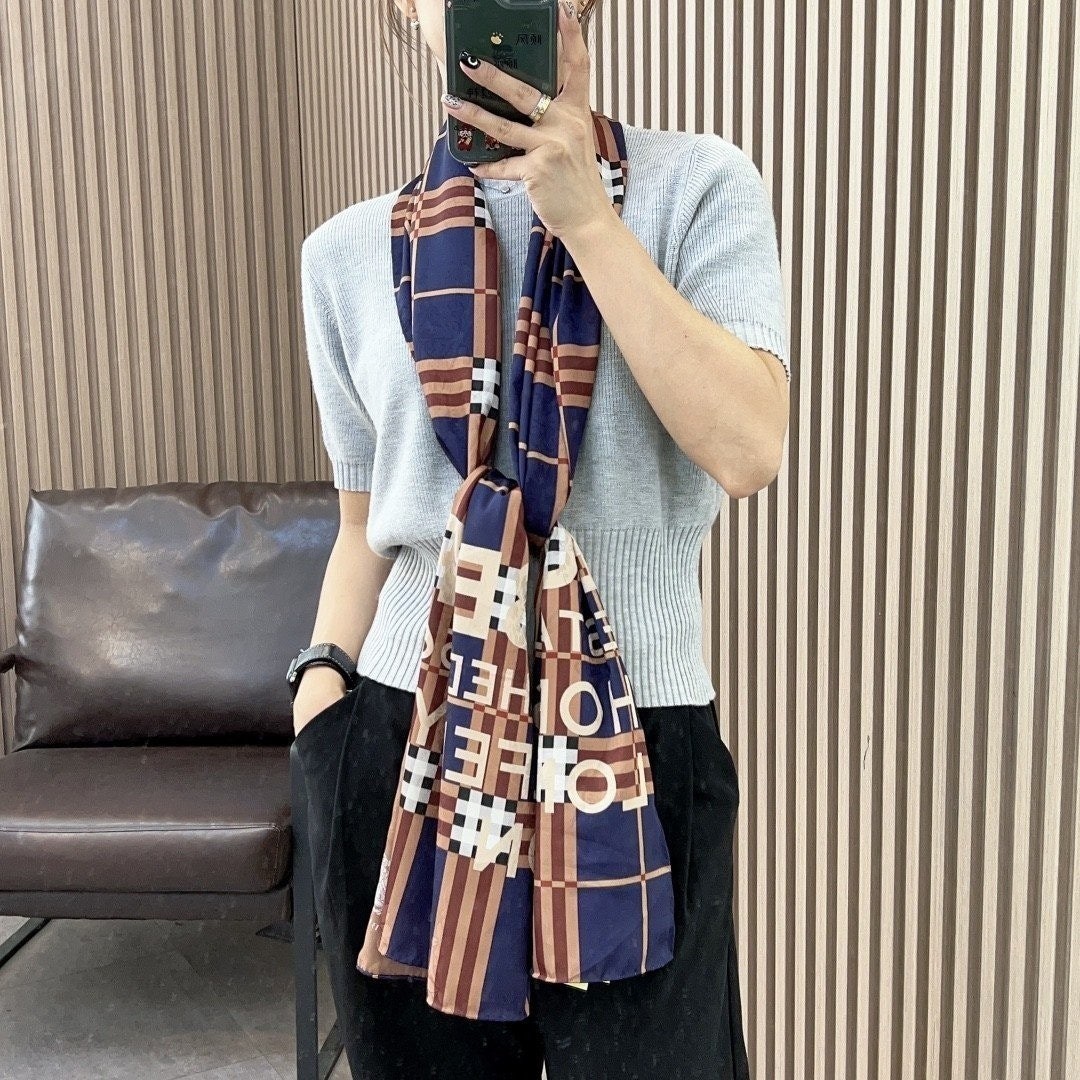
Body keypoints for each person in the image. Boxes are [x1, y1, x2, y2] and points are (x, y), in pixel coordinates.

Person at [289, 1, 790, 1076]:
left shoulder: (699, 189)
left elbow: (749, 448)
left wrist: (590, 223)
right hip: (408, 732)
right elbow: (362, 527)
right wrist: (322, 692)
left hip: (629, 736)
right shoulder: (343, 255)